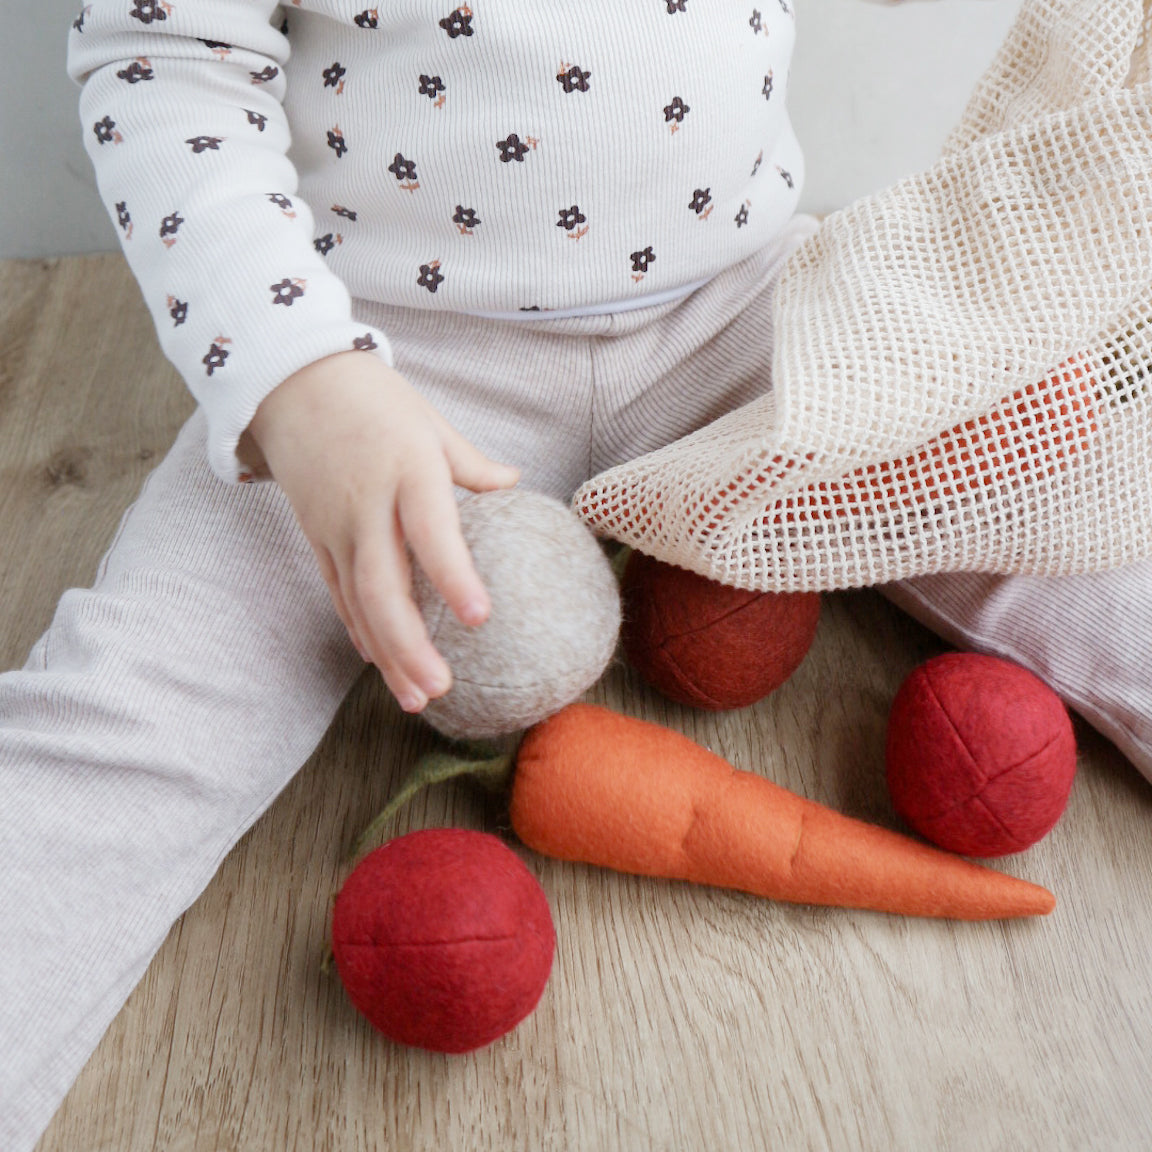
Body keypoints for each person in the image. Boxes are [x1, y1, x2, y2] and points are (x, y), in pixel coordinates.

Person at [4, 3, 1152, 1148]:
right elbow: (163, 56)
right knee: (129, 731)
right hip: (378, 371)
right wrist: (298, 378)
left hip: (747, 318)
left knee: (1074, 531)